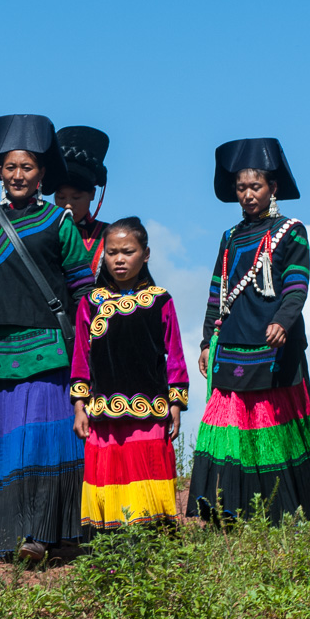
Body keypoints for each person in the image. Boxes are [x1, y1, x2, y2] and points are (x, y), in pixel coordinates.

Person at [0, 114, 95, 562]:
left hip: (50, 350)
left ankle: (44, 534)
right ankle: (14, 536)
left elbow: (83, 286)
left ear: (41, 174)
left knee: (46, 439)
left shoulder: (60, 223)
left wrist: (89, 343)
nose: (17, 176)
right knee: (8, 443)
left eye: (26, 168)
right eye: (10, 167)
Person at [188, 138, 310, 523]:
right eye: (241, 188)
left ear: (272, 188)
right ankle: (231, 508)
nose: (247, 195)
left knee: (277, 421)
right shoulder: (229, 238)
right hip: (230, 344)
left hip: (276, 343)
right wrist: (204, 341)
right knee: (230, 425)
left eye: (255, 187)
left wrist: (283, 320)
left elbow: (297, 284)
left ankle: (296, 507)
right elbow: (218, 291)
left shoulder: (291, 231)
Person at [71, 217, 188, 532]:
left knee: (147, 471)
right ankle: (111, 543)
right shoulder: (90, 302)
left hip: (149, 408)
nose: (119, 259)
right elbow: (81, 357)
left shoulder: (160, 300)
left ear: (145, 254)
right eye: (111, 253)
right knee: (110, 472)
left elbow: (175, 354)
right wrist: (79, 406)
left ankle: (154, 539)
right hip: (103, 411)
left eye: (127, 251)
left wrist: (176, 402)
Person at [54, 126, 110, 271]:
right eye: (60, 197)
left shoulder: (110, 235)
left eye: (76, 197)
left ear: (92, 194)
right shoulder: (42, 232)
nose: (68, 205)